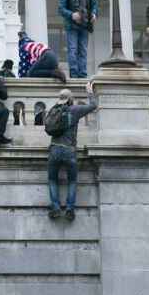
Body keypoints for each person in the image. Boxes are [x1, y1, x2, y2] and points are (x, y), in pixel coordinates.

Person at [46, 82, 97, 221]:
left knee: (52, 179)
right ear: (70, 99)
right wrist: (90, 92)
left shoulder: (53, 110)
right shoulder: (75, 110)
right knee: (72, 180)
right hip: (69, 150)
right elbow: (93, 106)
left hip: (55, 148)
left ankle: (55, 207)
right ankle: (69, 209)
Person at [58, 0, 98, 78]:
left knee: (83, 50)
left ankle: (83, 74)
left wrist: (94, 14)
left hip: (84, 25)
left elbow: (94, 4)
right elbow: (60, 9)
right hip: (71, 26)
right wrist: (71, 15)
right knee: (73, 50)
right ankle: (74, 74)